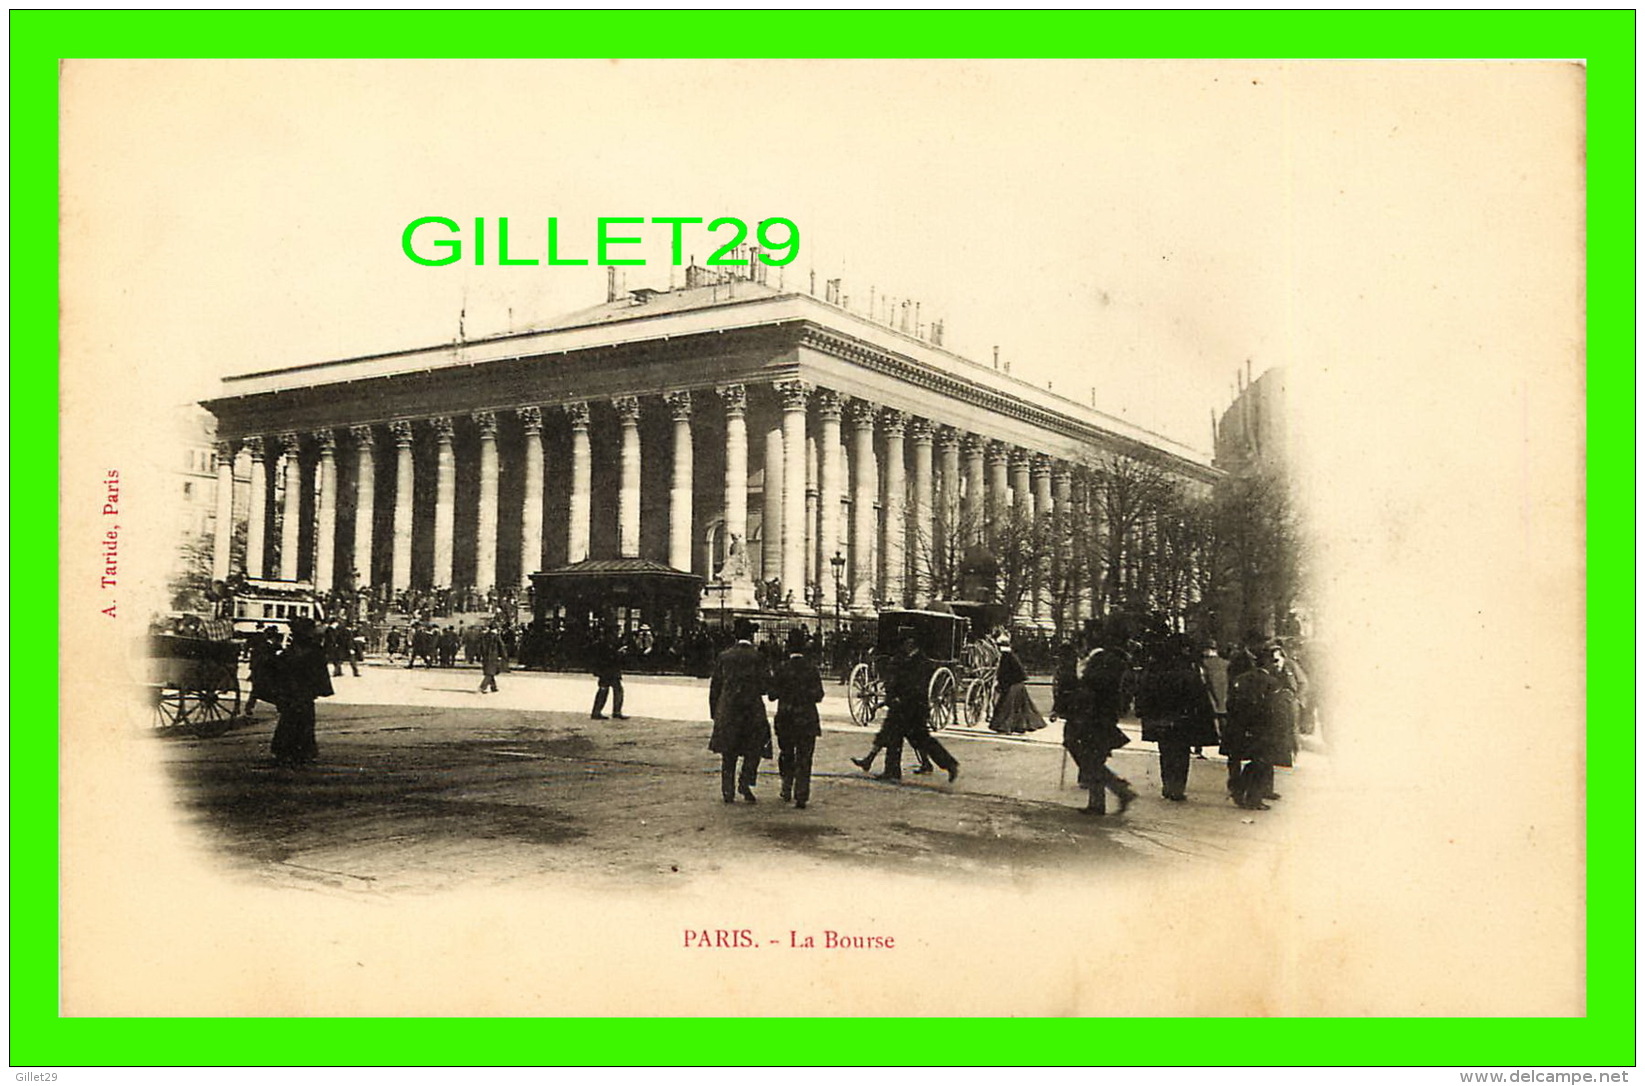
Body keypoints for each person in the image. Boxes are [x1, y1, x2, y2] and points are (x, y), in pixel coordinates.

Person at [1053, 634, 1137, 815]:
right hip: (1095, 716)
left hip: (1090, 717)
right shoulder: (1108, 659)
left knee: (1087, 756)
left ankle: (1115, 792)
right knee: (1091, 756)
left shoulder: (1101, 660)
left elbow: (1090, 688)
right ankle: (1104, 798)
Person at [1137, 636, 1219, 801]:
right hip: (1183, 719)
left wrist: (1146, 714)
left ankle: (1167, 785)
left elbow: (1145, 692)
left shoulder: (1156, 668)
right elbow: (1198, 696)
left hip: (1161, 718)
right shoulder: (1189, 669)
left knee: (1165, 751)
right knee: (1181, 754)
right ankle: (1177, 788)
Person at [1225, 645, 1299, 810]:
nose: (1274, 665)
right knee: (1262, 762)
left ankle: (1239, 788)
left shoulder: (1241, 678)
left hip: (1242, 726)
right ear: (1266, 663)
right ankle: (1252, 798)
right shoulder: (1272, 683)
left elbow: (1230, 702)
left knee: (1256, 761)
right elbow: (1273, 708)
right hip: (1264, 728)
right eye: (1272, 661)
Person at [877, 635, 959, 783]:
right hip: (901, 707)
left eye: (908, 643)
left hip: (913, 708)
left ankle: (949, 764)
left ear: (913, 645)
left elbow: (916, 685)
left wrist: (900, 696)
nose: (904, 646)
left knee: (922, 740)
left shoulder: (921, 663)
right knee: (894, 738)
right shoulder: (904, 659)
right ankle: (891, 771)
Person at [709, 618, 772, 803]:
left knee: (729, 752)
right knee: (755, 748)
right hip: (751, 710)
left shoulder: (724, 656)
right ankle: (745, 782)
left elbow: (715, 687)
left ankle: (727, 790)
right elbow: (764, 686)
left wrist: (715, 712)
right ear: (751, 635)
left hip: (728, 709)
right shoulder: (758, 657)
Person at [767, 628, 825, 808]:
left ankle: (786, 786)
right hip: (807, 719)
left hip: (786, 718)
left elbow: (771, 695)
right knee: (805, 757)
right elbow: (819, 695)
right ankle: (801, 794)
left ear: (788, 646)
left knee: (786, 754)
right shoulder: (811, 668)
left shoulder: (781, 668)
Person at [270, 615, 334, 766]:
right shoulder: (314, 649)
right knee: (304, 721)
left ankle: (284, 750)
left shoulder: (291, 650)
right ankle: (303, 751)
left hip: (291, 691)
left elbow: (280, 670)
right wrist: (321, 689)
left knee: (288, 720)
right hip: (304, 691)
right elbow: (320, 672)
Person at [989, 630, 1047, 734]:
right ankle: (1019, 726)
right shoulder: (1009, 655)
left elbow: (1005, 672)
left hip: (1013, 683)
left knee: (1007, 706)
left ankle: (1005, 726)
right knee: (1020, 706)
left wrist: (1001, 682)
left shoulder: (1007, 656)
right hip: (1015, 683)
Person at [243, 625, 282, 718]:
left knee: (256, 690)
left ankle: (249, 707)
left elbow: (248, 647)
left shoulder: (258, 640)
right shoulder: (268, 645)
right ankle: (279, 706)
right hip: (264, 670)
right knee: (270, 689)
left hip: (258, 669)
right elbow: (274, 653)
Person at [589, 627, 628, 719]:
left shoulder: (603, 643)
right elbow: (609, 657)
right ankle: (614, 712)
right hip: (609, 670)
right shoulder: (607, 644)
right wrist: (619, 653)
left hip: (607, 670)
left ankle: (598, 711)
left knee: (607, 689)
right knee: (614, 690)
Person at [477, 623, 507, 694]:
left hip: (485, 657)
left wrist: (479, 655)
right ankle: (482, 687)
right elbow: (501, 646)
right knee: (490, 673)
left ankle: (493, 687)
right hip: (494, 656)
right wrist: (503, 656)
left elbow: (480, 646)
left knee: (490, 671)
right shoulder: (496, 637)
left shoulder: (484, 636)